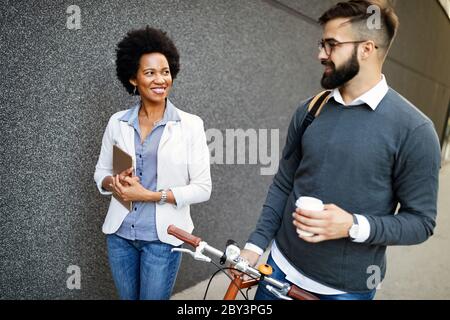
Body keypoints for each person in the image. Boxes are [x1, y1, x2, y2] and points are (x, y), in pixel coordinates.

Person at [238, 0, 441, 300]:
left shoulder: (415, 131)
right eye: (322, 43)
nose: (321, 54)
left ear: (366, 49)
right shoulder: (309, 110)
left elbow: (421, 222)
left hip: (345, 291)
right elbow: (284, 182)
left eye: (331, 45)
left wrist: (353, 225)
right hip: (277, 270)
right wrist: (255, 246)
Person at [93, 26, 211, 300]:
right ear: (133, 79)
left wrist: (149, 195)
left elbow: (203, 188)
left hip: (163, 239)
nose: (160, 79)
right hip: (120, 235)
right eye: (150, 73)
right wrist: (115, 182)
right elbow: (101, 172)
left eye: (165, 71)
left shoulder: (190, 125)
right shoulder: (118, 122)